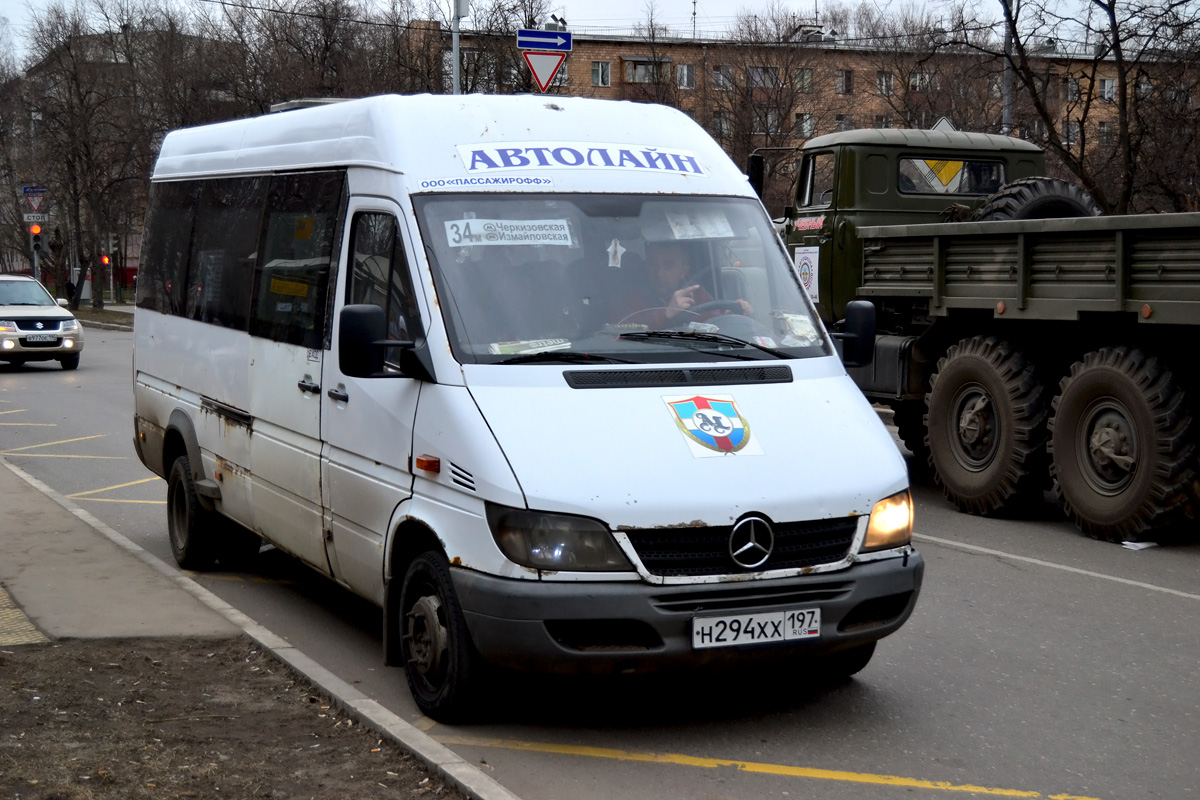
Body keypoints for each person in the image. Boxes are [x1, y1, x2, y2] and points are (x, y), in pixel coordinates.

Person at [619, 239, 752, 327]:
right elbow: (615, 334)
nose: (659, 273)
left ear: (684, 271)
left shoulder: (696, 294)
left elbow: (712, 324)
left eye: (668, 266)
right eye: (653, 265)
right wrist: (665, 314)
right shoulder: (629, 296)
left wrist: (732, 315)